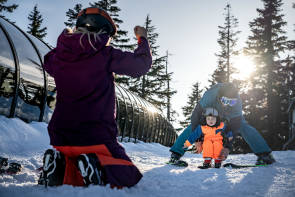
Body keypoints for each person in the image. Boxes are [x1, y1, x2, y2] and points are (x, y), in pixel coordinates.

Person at [38, 7, 152, 188]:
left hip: (61, 139)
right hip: (97, 138)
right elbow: (141, 65)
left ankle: (60, 163)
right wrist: (142, 38)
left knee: (75, 164)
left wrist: (67, 44)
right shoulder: (105, 55)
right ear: (104, 31)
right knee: (128, 174)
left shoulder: (58, 56)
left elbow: (47, 61)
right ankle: (96, 165)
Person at [169, 82, 275, 166]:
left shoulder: (236, 103)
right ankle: (176, 154)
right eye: (225, 101)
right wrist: (197, 139)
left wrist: (227, 147)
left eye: (231, 102)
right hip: (212, 110)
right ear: (219, 98)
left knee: (243, 126)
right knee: (195, 127)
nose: (228, 105)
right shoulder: (210, 96)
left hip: (229, 115)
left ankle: (264, 154)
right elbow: (196, 116)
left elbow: (235, 126)